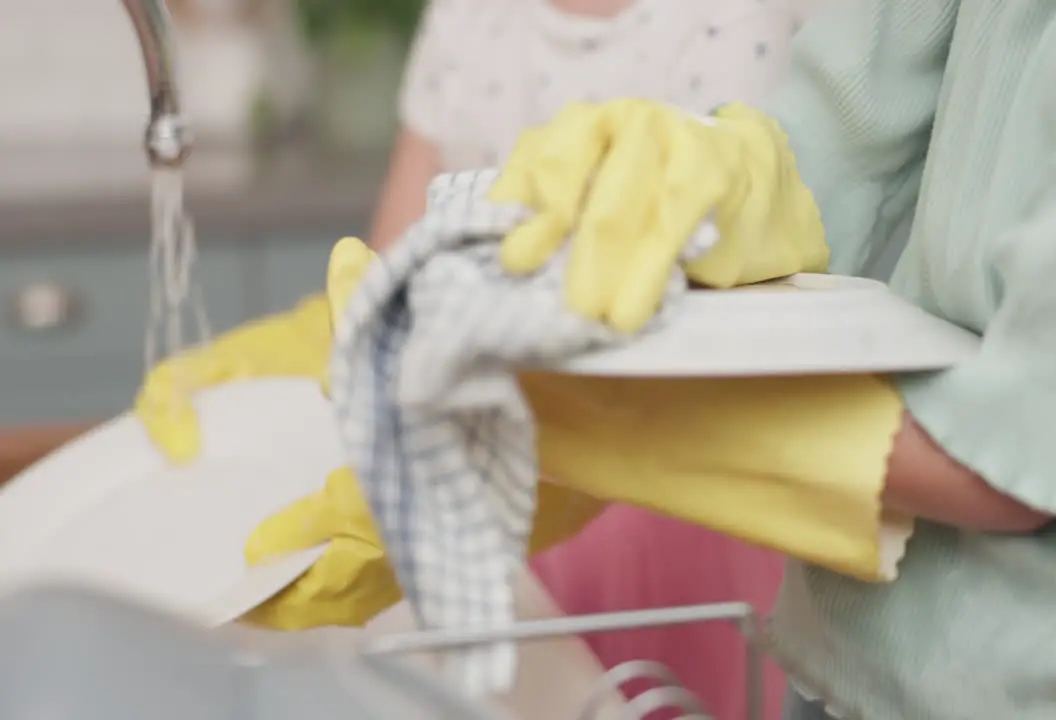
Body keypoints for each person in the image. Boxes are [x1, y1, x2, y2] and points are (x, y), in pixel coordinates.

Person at [482, 0, 1056, 718]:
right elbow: (842, 131)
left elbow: (1027, 450)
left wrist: (644, 412)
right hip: (842, 663)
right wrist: (717, 182)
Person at [136, 0, 817, 717]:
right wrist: (314, 340)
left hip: (662, 490)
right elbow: (398, 263)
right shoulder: (467, 16)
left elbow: (721, 323)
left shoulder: (732, 21)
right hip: (482, 479)